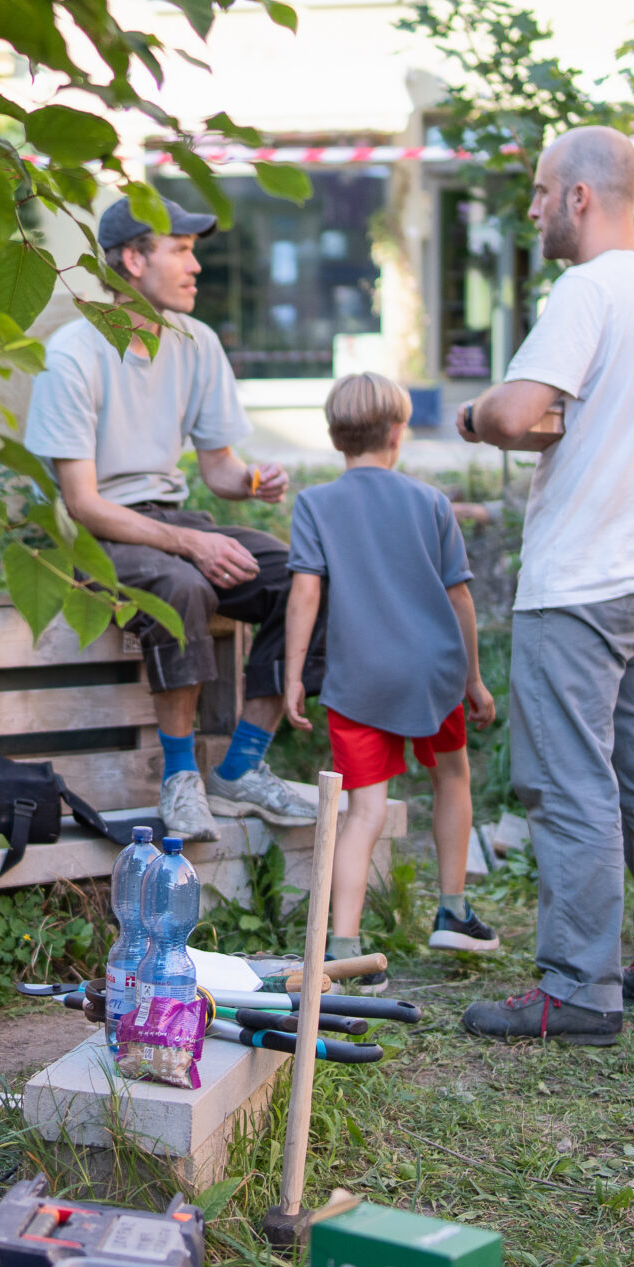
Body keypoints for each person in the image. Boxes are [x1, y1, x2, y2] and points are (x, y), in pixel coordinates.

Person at [454, 125, 634, 1047]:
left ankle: (578, 988)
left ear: (578, 196)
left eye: (538, 191)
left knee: (568, 783)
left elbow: (523, 413)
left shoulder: (589, 288)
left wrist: (475, 415)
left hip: (582, 579)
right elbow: (582, 422)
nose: (531, 209)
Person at [24, 196, 325, 843]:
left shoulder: (197, 341)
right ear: (133, 259)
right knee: (183, 585)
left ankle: (242, 766)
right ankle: (180, 777)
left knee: (304, 577)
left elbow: (218, 467)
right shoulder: (73, 354)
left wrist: (251, 481)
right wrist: (191, 542)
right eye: (181, 250)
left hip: (172, 518)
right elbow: (82, 502)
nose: (196, 267)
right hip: (99, 533)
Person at [281, 373, 500, 965]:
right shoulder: (430, 502)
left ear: (334, 438)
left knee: (365, 811)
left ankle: (347, 950)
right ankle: (453, 911)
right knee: (450, 779)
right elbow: (460, 600)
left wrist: (295, 675)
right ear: (399, 434)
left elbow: (304, 594)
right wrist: (473, 679)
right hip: (433, 673)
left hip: (358, 681)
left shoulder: (316, 504)